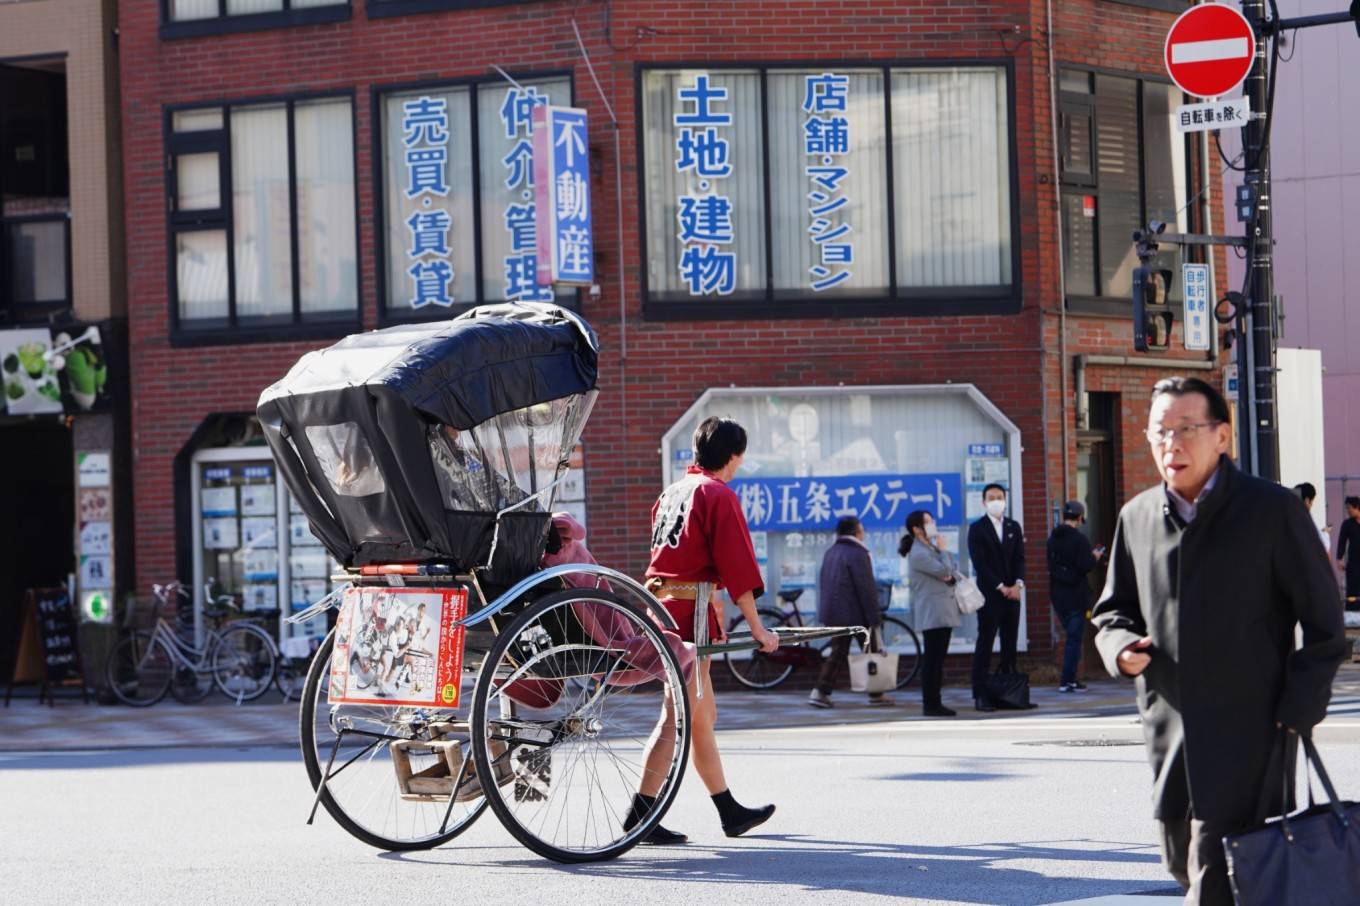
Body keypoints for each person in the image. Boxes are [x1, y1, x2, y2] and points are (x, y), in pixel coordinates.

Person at [1091, 376, 1345, 906]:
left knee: (1220, 874)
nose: (1171, 445)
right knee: (1179, 858)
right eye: (1160, 432)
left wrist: (1298, 708)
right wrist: (1119, 647)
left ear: (1223, 436)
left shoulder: (1271, 511)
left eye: (1187, 429)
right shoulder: (1136, 517)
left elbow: (1324, 622)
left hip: (1251, 733)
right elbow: (1112, 610)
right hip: (1170, 729)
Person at [631, 416, 778, 845]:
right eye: (740, 458)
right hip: (690, 615)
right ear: (733, 457)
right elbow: (738, 571)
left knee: (700, 716)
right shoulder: (717, 495)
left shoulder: (671, 493)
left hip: (662, 606)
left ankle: (725, 808)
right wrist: (759, 629)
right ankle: (644, 813)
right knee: (680, 716)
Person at [808, 516, 891, 709]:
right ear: (856, 533)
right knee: (865, 651)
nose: (864, 534)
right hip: (855, 614)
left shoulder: (831, 551)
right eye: (862, 530)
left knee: (847, 651)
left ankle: (875, 692)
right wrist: (874, 617)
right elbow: (866, 588)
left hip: (835, 612)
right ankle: (820, 691)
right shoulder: (858, 553)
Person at [966, 482, 1025, 712]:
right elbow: (979, 563)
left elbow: (1020, 558)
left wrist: (1018, 584)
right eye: (991, 497)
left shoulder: (1013, 526)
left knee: (1010, 644)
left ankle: (1011, 693)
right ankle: (981, 694)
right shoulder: (977, 528)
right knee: (986, 643)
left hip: (1013, 594)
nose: (996, 501)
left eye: (999, 497)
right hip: (990, 594)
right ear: (984, 502)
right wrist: (1000, 586)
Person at [901, 509, 961, 717]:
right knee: (933, 660)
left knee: (938, 658)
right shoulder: (919, 553)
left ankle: (935, 701)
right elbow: (946, 571)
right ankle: (931, 703)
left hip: (942, 610)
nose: (933, 524)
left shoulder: (929, 548)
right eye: (928, 522)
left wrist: (945, 561)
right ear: (917, 529)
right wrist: (944, 551)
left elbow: (951, 571)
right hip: (933, 612)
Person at [1046, 500, 1105, 693]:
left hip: (1058, 595)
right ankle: (1067, 680)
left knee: (1072, 637)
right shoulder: (1079, 539)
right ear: (1080, 518)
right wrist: (1095, 556)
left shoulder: (1053, 538)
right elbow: (1085, 565)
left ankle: (1070, 679)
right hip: (1076, 595)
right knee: (1074, 638)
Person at [1334, 495, 1360, 609]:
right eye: (1347, 508)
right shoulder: (1347, 524)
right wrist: (1339, 558)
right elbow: (1342, 541)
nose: (1348, 511)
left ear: (1357, 507)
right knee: (1353, 590)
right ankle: (1352, 616)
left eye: (1350, 508)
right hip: (1353, 564)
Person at [1291, 482, 1330, 552]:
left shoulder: (1289, 518)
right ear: (1307, 501)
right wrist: (1325, 534)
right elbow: (1323, 547)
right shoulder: (1305, 520)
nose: (1312, 504)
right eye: (1312, 501)